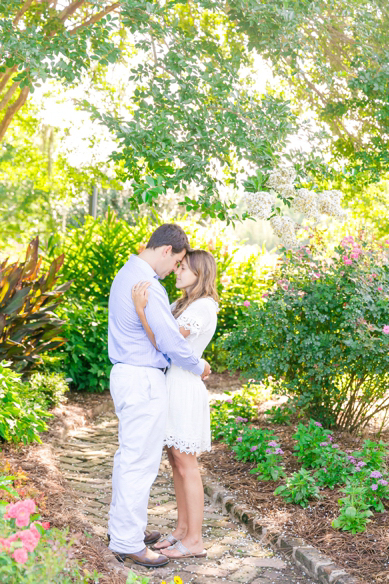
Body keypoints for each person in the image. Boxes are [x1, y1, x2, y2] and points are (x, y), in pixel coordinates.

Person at [107, 224, 211, 568]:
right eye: (178, 261)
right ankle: (127, 541)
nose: (174, 270)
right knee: (139, 463)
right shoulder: (148, 284)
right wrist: (198, 366)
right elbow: (168, 340)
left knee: (130, 459)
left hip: (130, 375)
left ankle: (124, 530)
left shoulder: (127, 273)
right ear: (168, 250)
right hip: (141, 378)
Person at [132, 249, 218, 559]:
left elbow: (165, 342)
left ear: (201, 274)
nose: (178, 271)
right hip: (172, 385)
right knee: (176, 464)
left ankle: (194, 540)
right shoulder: (182, 303)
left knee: (187, 465)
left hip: (183, 389)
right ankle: (182, 532)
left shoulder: (204, 307)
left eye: (185, 268)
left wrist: (142, 312)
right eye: (178, 265)